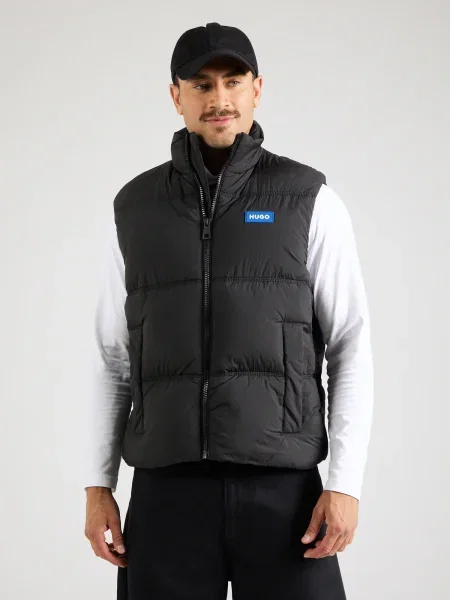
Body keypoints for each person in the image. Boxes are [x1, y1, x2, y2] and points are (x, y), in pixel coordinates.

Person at [84, 22, 374, 600]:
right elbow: (113, 358)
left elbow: (350, 344)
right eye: (201, 84)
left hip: (283, 489)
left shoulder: (308, 198)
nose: (219, 98)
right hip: (167, 490)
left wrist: (344, 483)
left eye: (233, 81)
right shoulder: (135, 208)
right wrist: (99, 486)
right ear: (177, 96)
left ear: (256, 88)